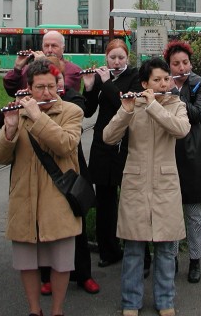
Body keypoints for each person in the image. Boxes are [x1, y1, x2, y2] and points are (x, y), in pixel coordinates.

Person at [0, 59, 83, 316]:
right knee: (27, 262)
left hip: (58, 200)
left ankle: (57, 310)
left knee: (61, 263)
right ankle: (34, 310)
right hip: (25, 198)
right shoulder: (17, 114)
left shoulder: (71, 112)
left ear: (59, 86)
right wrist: (9, 130)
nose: (46, 93)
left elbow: (65, 145)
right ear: (28, 89)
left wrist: (37, 117)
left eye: (51, 87)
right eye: (40, 87)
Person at [102, 58, 191, 316]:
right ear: (144, 83)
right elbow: (108, 136)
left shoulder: (177, 105)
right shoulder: (134, 106)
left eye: (166, 79)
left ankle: (165, 300)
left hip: (165, 183)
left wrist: (153, 104)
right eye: (157, 80)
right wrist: (126, 110)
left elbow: (181, 130)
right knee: (133, 248)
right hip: (136, 182)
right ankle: (131, 302)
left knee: (165, 248)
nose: (164, 83)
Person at [35, 56, 100, 296]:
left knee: (77, 222)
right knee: (45, 226)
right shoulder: (32, 103)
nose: (52, 88)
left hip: (72, 170)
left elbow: (85, 108)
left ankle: (84, 275)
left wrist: (89, 88)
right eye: (45, 84)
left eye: (57, 81)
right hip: (43, 172)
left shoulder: (71, 99)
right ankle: (46, 275)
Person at [82, 39, 142, 270]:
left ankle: (136, 250)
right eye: (112, 57)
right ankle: (108, 249)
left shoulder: (135, 77)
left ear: (127, 58)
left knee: (129, 197)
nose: (116, 62)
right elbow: (88, 112)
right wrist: (88, 88)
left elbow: (125, 105)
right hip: (102, 145)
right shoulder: (99, 76)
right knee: (104, 199)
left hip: (125, 144)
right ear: (106, 58)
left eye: (120, 58)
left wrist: (106, 83)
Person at [163, 40, 201, 284]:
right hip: (168, 150)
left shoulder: (200, 83)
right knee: (171, 209)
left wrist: (173, 94)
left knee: (194, 212)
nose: (181, 67)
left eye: (185, 62)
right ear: (169, 65)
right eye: (176, 64)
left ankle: (196, 260)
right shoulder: (160, 81)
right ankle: (171, 257)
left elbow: (196, 114)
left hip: (194, 151)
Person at [3, 30, 81, 95]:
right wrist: (18, 68)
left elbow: (63, 91)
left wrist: (45, 63)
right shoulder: (30, 67)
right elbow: (11, 90)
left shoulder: (73, 70)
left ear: (63, 48)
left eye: (54, 46)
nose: (50, 50)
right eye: (46, 46)